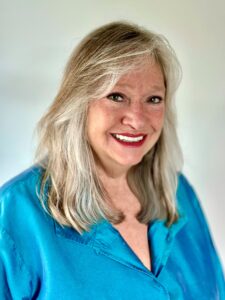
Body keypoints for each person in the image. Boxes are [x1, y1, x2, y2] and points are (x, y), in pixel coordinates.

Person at [0, 21, 224, 300]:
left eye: (153, 99)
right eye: (117, 96)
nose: (137, 119)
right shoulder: (14, 214)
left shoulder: (178, 193)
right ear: (79, 103)